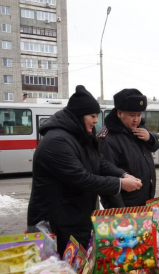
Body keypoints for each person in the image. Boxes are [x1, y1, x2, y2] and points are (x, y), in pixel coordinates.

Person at [27, 85, 142, 255]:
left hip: (74, 218)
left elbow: (99, 162)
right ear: (78, 115)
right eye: (92, 116)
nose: (96, 121)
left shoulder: (79, 135)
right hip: (55, 224)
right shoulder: (57, 141)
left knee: (76, 270)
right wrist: (119, 183)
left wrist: (122, 174)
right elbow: (82, 178)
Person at [99, 88, 159, 208]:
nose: (136, 120)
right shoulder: (108, 139)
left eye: (139, 115)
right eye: (132, 115)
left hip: (145, 202)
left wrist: (150, 137)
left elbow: (158, 141)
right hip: (126, 209)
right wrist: (121, 213)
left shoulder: (140, 127)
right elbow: (107, 178)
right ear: (119, 113)